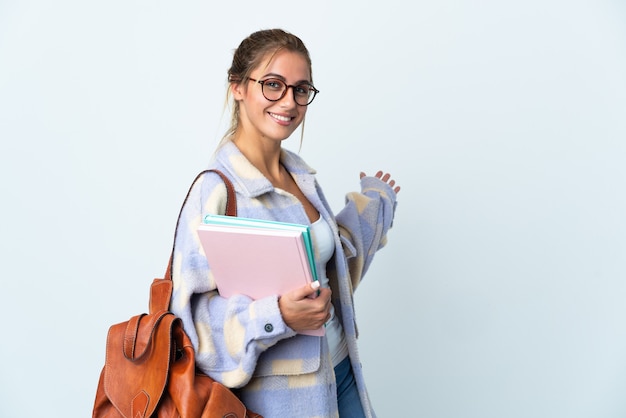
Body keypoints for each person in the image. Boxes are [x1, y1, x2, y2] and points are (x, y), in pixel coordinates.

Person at [170, 28, 400, 418]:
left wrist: (374, 208)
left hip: (341, 369)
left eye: (300, 89)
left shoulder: (300, 177)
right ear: (238, 87)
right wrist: (278, 316)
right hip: (280, 402)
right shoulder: (216, 190)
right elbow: (192, 325)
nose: (289, 102)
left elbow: (329, 268)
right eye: (273, 85)